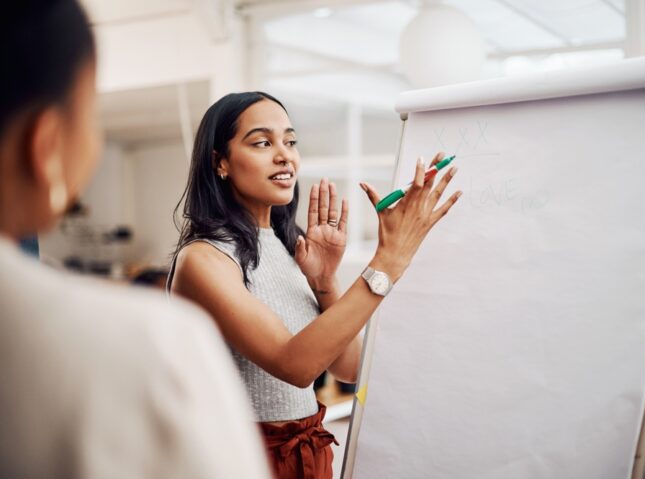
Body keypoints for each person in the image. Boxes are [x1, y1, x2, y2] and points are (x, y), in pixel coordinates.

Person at [0, 1, 270, 477]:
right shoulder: (155, 342)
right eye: (91, 114)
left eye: (289, 141)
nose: (285, 158)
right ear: (46, 144)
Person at [168, 91, 461, 478]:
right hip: (242, 459)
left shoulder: (288, 247)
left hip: (306, 453)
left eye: (290, 141)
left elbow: (349, 366)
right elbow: (296, 366)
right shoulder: (203, 259)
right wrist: (387, 262)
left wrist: (324, 284)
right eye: (262, 142)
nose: (284, 155)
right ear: (219, 162)